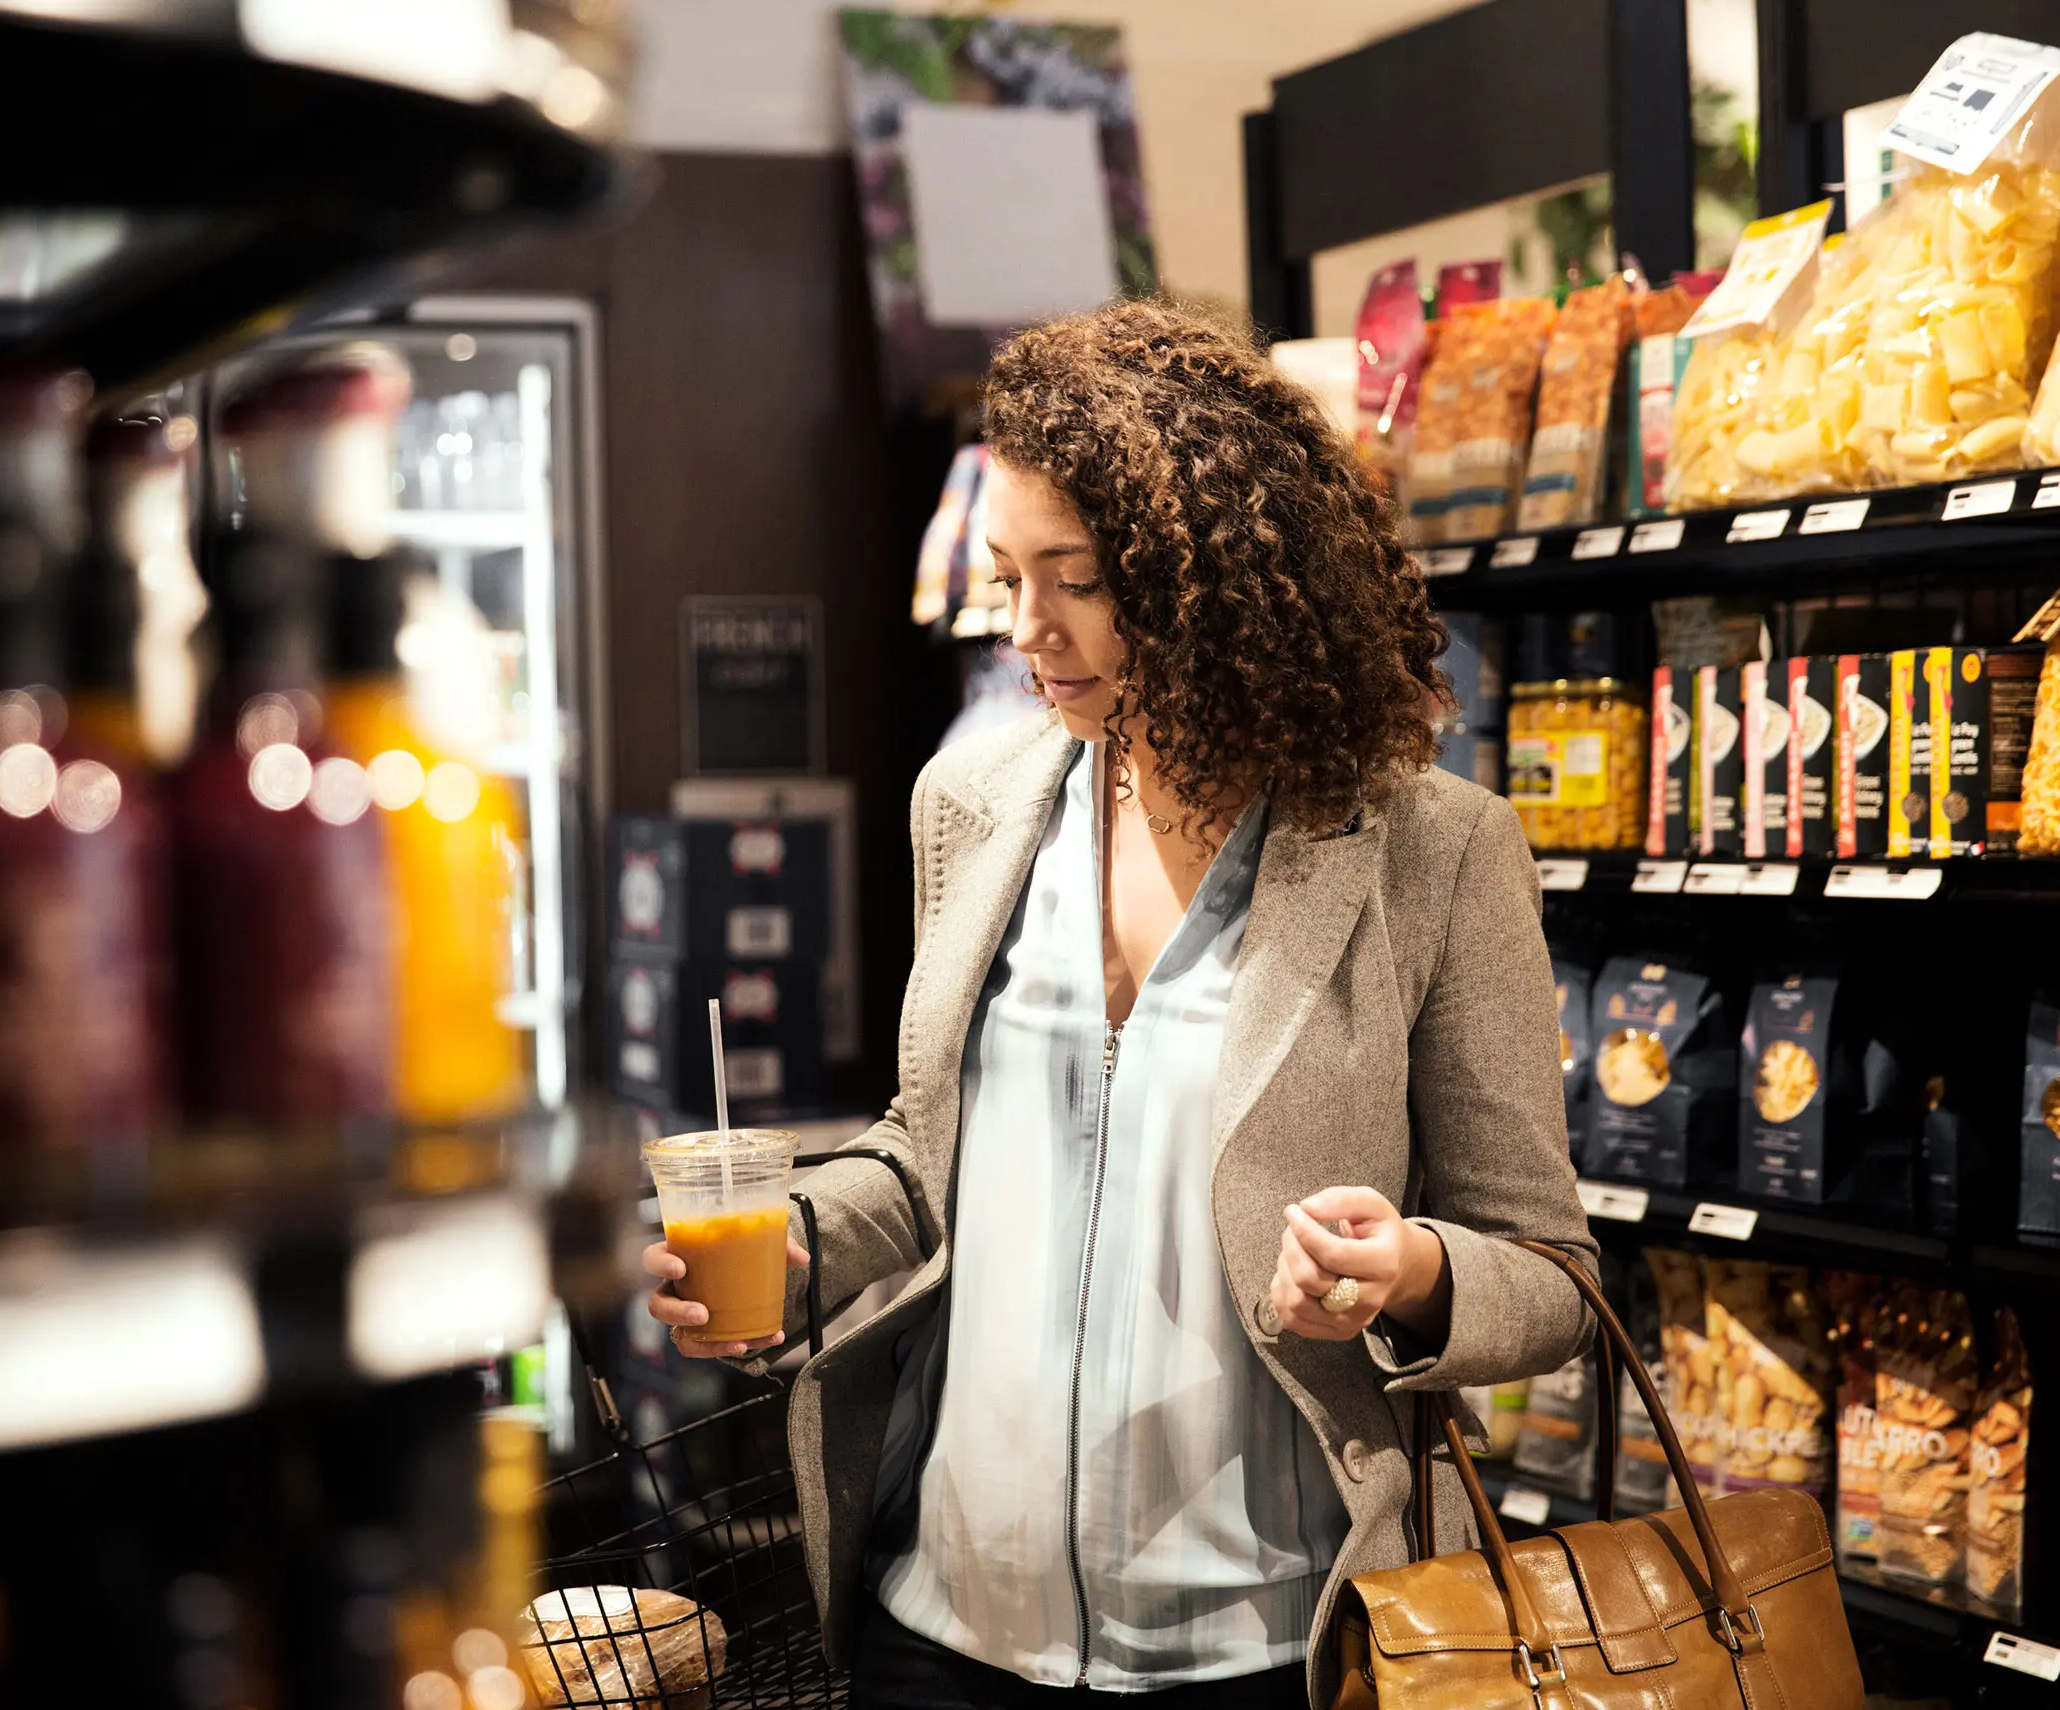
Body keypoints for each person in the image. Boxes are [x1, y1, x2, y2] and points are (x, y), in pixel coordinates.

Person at [640, 299, 1596, 1710]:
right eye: (1010, 575)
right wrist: (792, 1243)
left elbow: (1554, 1271)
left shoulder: (1428, 851)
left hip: (1264, 1646)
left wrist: (1416, 1272)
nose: (1029, 628)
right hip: (943, 1633)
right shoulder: (974, 805)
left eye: (1075, 578)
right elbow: (928, 1154)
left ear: (1208, 579)